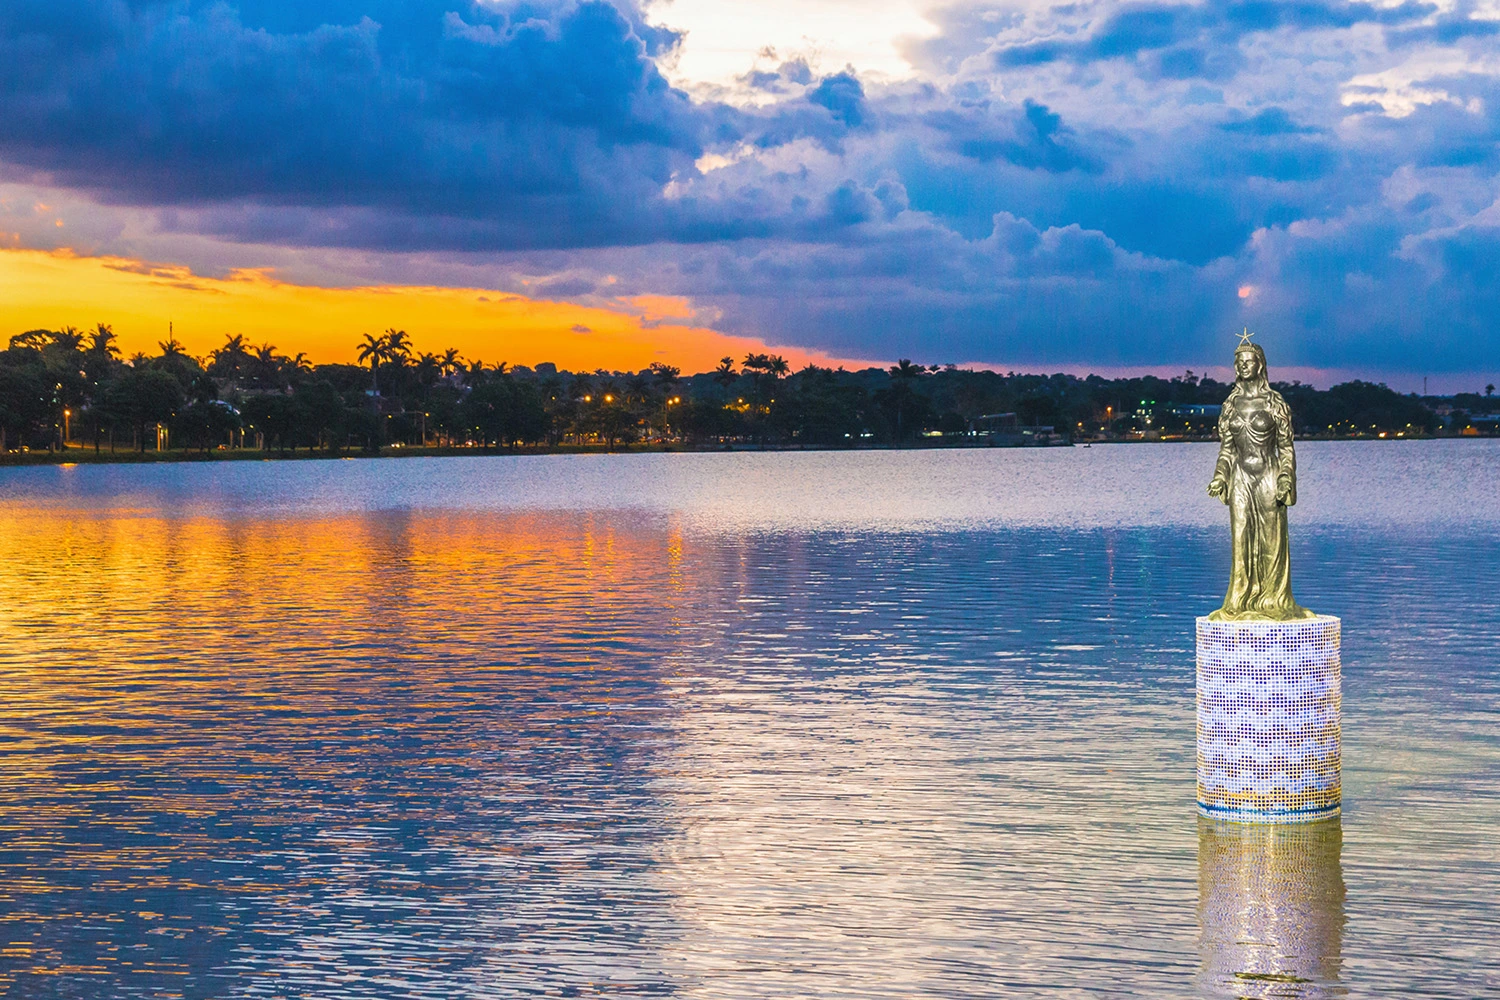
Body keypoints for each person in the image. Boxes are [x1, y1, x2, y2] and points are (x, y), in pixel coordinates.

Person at [1207, 336, 1314, 621]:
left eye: (1249, 361)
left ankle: (1273, 600)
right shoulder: (1230, 404)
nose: (1244, 366)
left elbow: (1286, 447)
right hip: (1241, 477)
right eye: (1240, 362)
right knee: (1240, 537)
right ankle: (1238, 601)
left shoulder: (1274, 402)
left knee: (1271, 539)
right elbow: (1227, 449)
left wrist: (1286, 478)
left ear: (1260, 365)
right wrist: (1220, 477)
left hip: (1268, 474)